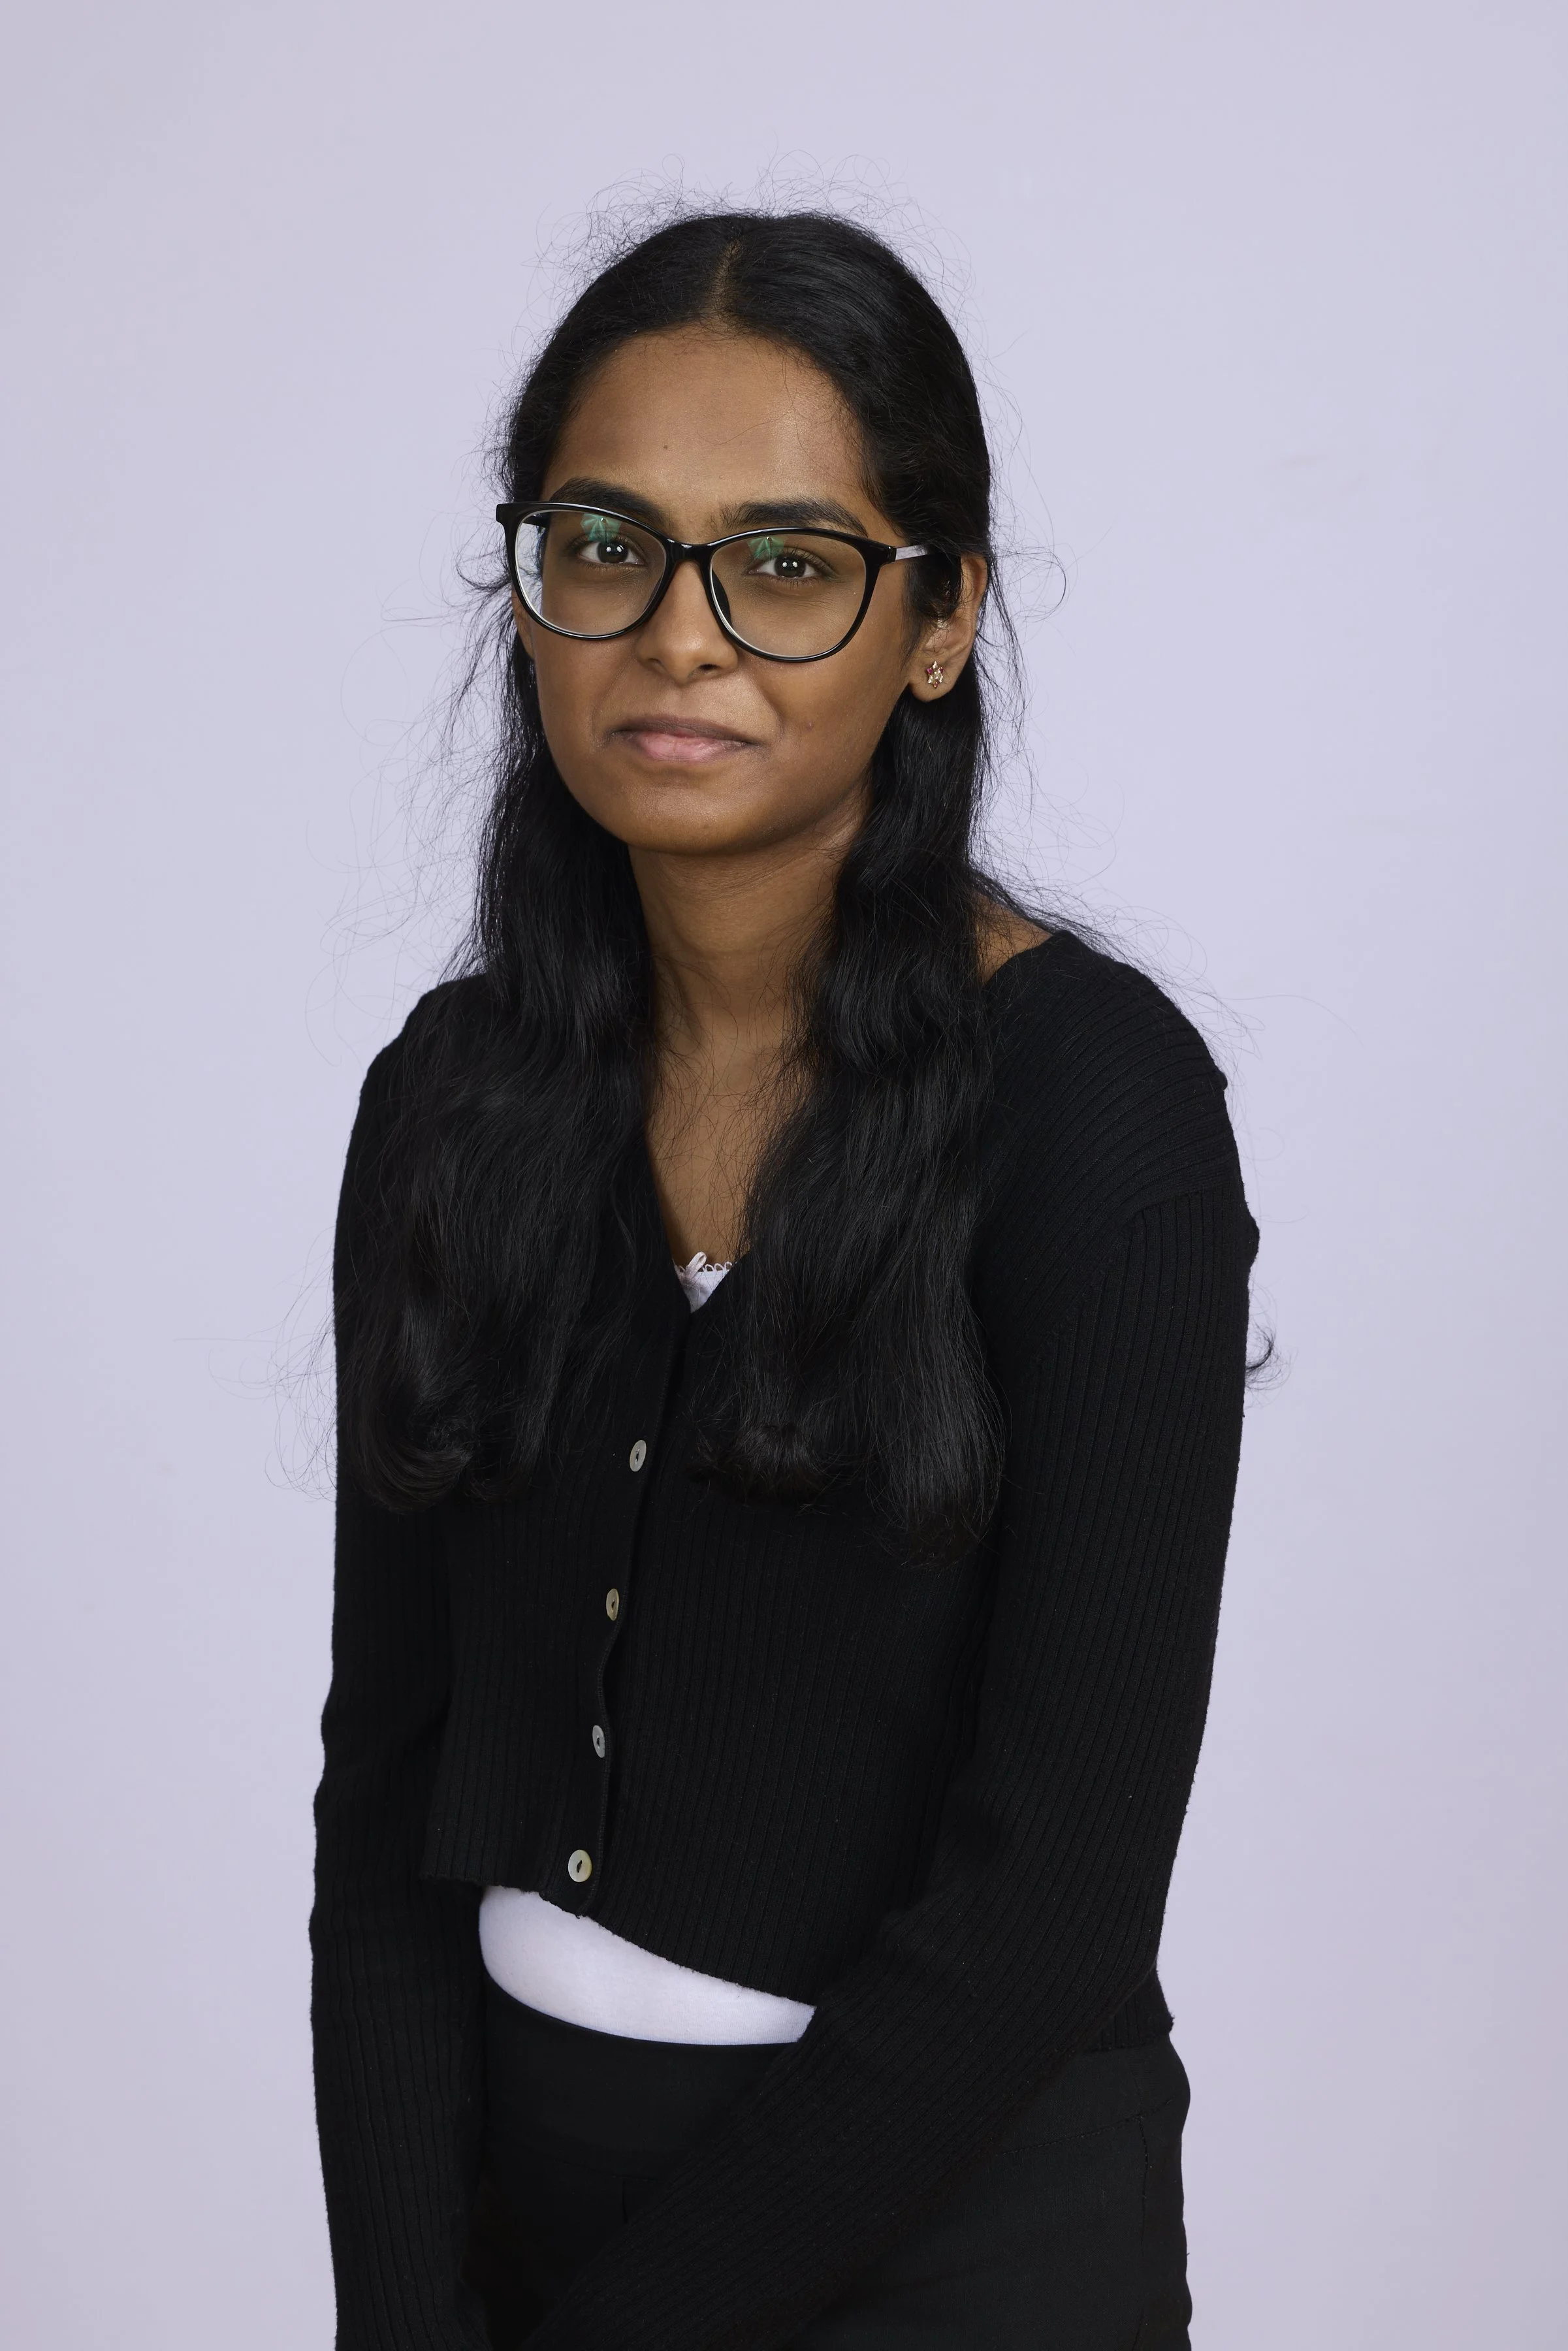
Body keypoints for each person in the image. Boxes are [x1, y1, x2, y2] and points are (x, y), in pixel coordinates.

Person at [310, 208, 1258, 2351]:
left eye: (792, 562)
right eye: (608, 543)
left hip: (961, 2245)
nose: (681, 636)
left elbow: (1060, 1899)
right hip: (518, 2221)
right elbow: (388, 1801)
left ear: (940, 623)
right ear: (532, 586)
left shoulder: (1098, 1114)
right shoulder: (452, 1098)